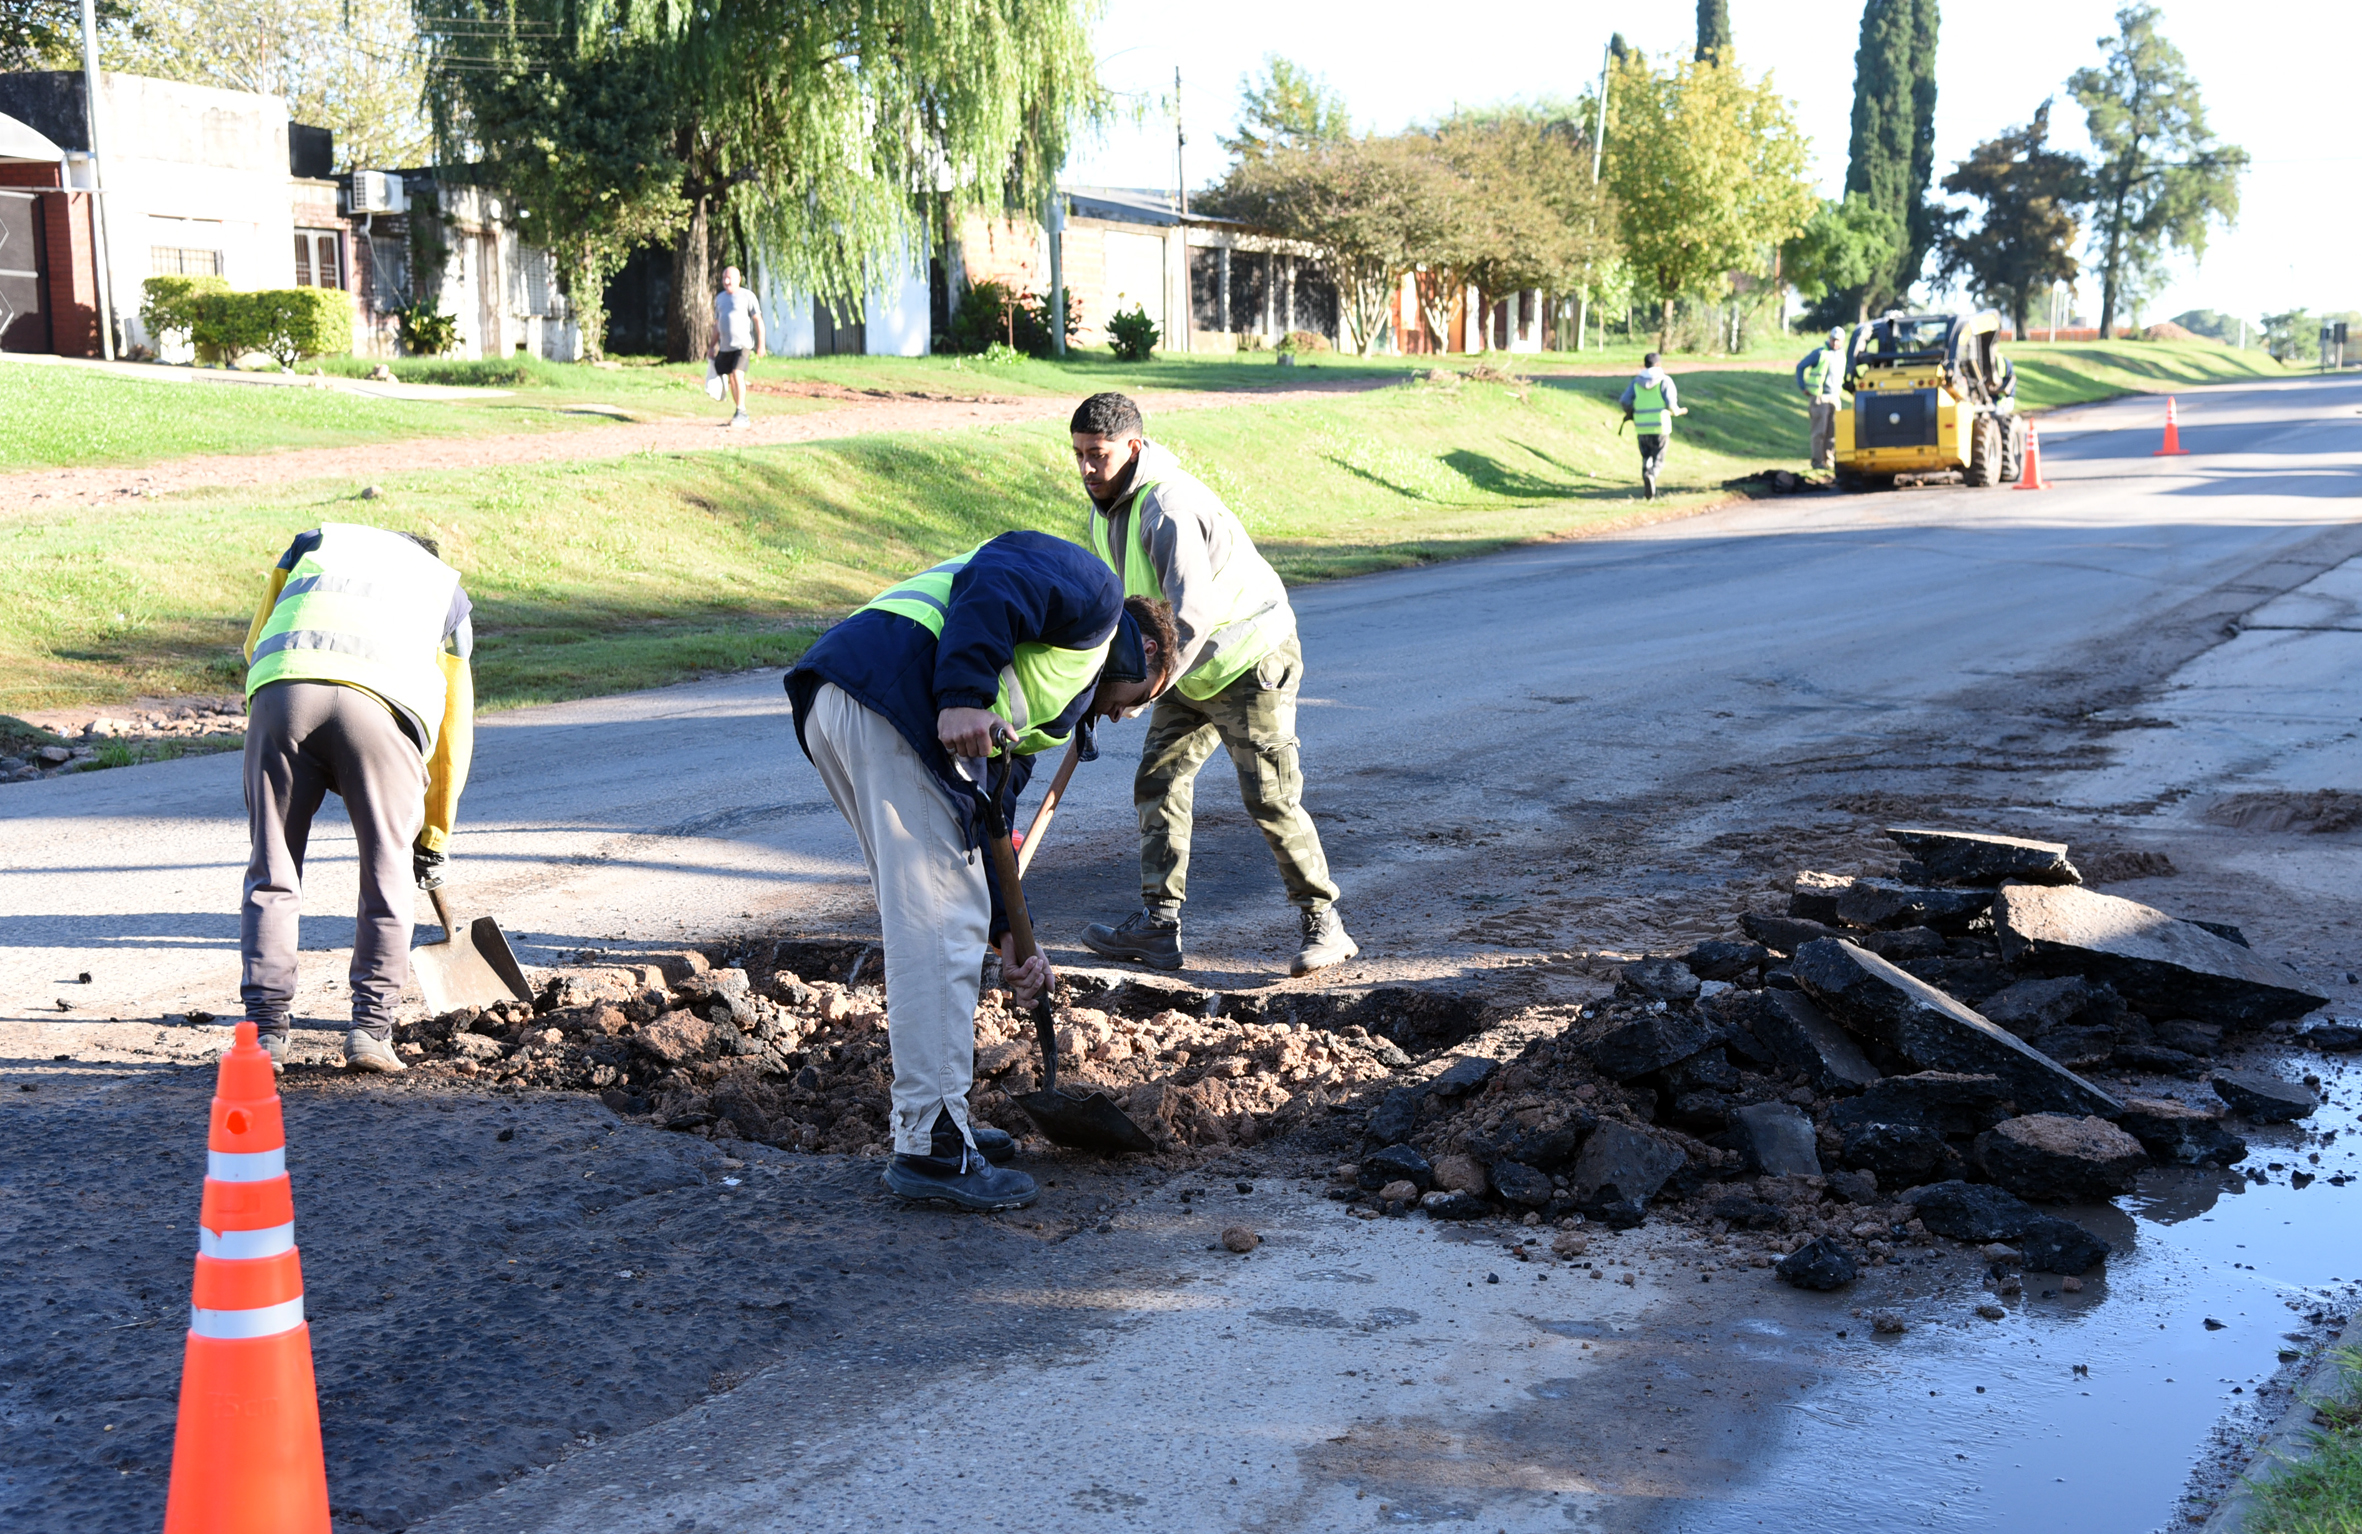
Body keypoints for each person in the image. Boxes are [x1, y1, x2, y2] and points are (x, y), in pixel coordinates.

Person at [786, 532, 1176, 1211]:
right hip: (896, 700)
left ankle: (942, 1125)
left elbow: (987, 826)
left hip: (855, 700)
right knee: (937, 928)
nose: (1122, 715)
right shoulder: (1097, 595)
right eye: (1141, 699)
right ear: (1147, 652)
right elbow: (999, 576)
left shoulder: (1043, 701)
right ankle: (933, 1146)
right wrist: (963, 692)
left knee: (941, 914)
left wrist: (1009, 935)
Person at [1065, 391, 1358, 979]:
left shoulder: (1166, 508)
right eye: (1078, 455)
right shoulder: (1110, 509)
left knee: (1270, 795)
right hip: (1184, 664)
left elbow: (1190, 614)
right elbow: (1128, 612)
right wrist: (1106, 682)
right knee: (1158, 781)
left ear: (1133, 446)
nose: (1088, 468)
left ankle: (1325, 924)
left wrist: (1147, 687)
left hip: (1249, 658)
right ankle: (1158, 926)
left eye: (1098, 454)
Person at [240, 524, 475, 1075]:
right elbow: (452, 733)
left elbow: (256, 645)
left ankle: (265, 1035)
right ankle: (370, 1033)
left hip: (283, 695)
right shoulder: (447, 593)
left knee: (272, 870)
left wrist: (271, 719)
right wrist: (433, 839)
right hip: (381, 716)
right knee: (386, 871)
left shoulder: (311, 543)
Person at [1619, 352, 1685, 499]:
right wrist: (1678, 411)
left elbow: (1624, 401)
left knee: (1646, 456)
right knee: (1658, 458)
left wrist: (1632, 412)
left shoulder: (1636, 382)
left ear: (1645, 365)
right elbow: (1670, 404)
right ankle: (1652, 475)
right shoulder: (1665, 381)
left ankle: (1646, 474)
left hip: (1641, 426)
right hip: (1660, 426)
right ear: (1659, 364)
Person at [712, 266, 765, 429]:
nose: (726, 281)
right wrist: (711, 346)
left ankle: (741, 411)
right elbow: (716, 325)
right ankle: (740, 412)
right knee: (732, 378)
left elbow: (758, 321)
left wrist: (761, 344)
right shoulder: (719, 299)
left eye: (729, 278)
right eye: (723, 278)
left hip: (743, 344)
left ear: (738, 279)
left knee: (737, 374)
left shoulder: (747, 296)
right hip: (726, 346)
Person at [1796, 326, 1847, 471]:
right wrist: (1803, 386)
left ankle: (1829, 462)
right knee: (1819, 432)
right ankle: (1817, 462)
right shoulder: (1820, 353)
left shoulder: (1841, 355)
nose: (1835, 343)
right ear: (1829, 338)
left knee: (1833, 433)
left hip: (1835, 397)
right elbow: (1801, 366)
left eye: (1838, 341)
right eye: (1833, 340)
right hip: (1820, 398)